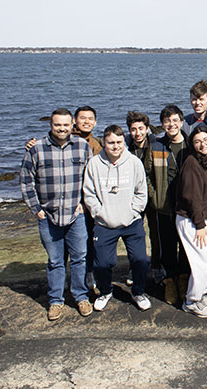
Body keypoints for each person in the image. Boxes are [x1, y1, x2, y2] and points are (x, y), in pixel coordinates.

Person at [20, 108, 92, 321]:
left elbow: (91, 178)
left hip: (75, 214)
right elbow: (26, 181)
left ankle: (81, 297)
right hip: (48, 216)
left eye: (65, 125)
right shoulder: (36, 149)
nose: (62, 128)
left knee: (80, 258)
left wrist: (84, 205)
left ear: (73, 126)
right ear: (51, 125)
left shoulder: (82, 147)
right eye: (57, 125)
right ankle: (56, 301)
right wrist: (37, 210)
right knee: (55, 260)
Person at [83, 125, 151, 312]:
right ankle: (105, 291)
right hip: (105, 223)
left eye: (119, 142)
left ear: (124, 142)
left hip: (131, 222)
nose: (115, 146)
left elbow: (141, 192)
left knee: (141, 260)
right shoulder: (94, 164)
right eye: (111, 143)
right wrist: (100, 213)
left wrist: (133, 212)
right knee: (103, 263)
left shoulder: (134, 162)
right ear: (104, 143)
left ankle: (138, 292)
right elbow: (89, 194)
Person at [176, 126, 207, 318]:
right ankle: (191, 300)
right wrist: (200, 224)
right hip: (193, 221)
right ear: (192, 145)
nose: (203, 144)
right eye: (197, 141)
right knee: (202, 262)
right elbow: (191, 197)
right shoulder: (191, 163)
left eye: (206, 140)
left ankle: (201, 293)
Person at [126, 111, 165, 284]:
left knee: (156, 234)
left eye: (141, 128)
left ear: (148, 129)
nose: (138, 133)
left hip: (151, 196)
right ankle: (134, 267)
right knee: (133, 234)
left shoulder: (155, 144)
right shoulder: (126, 146)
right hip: (132, 198)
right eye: (133, 129)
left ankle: (156, 266)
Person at [156, 105, 189, 305]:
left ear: (181, 122)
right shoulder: (157, 146)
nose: (171, 125)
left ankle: (184, 280)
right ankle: (169, 281)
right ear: (162, 124)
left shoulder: (190, 146)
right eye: (167, 121)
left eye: (175, 120)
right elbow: (148, 174)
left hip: (184, 208)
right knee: (167, 247)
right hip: (164, 206)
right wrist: (155, 197)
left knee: (185, 246)